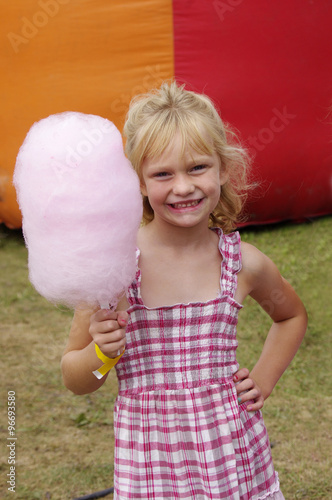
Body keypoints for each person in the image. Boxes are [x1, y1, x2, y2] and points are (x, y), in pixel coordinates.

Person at [61, 81, 307, 499]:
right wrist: (100, 353)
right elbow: (76, 379)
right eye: (162, 173)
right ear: (137, 181)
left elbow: (291, 316)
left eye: (197, 167)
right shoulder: (112, 269)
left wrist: (263, 380)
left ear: (222, 169)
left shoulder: (242, 262)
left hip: (232, 461)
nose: (182, 187)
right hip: (150, 467)